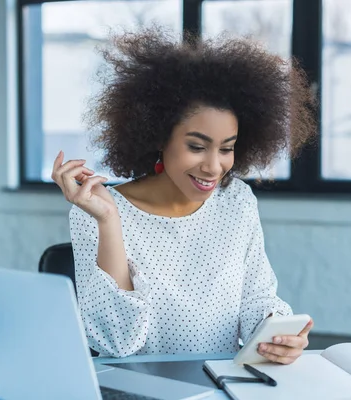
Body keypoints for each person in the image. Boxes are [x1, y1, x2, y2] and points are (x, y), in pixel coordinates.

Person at [51, 27, 317, 363]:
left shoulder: (236, 200)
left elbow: (257, 299)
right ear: (159, 137)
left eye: (227, 149)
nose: (213, 166)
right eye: (196, 147)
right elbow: (114, 342)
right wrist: (108, 221)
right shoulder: (98, 210)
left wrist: (276, 332)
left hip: (224, 383)